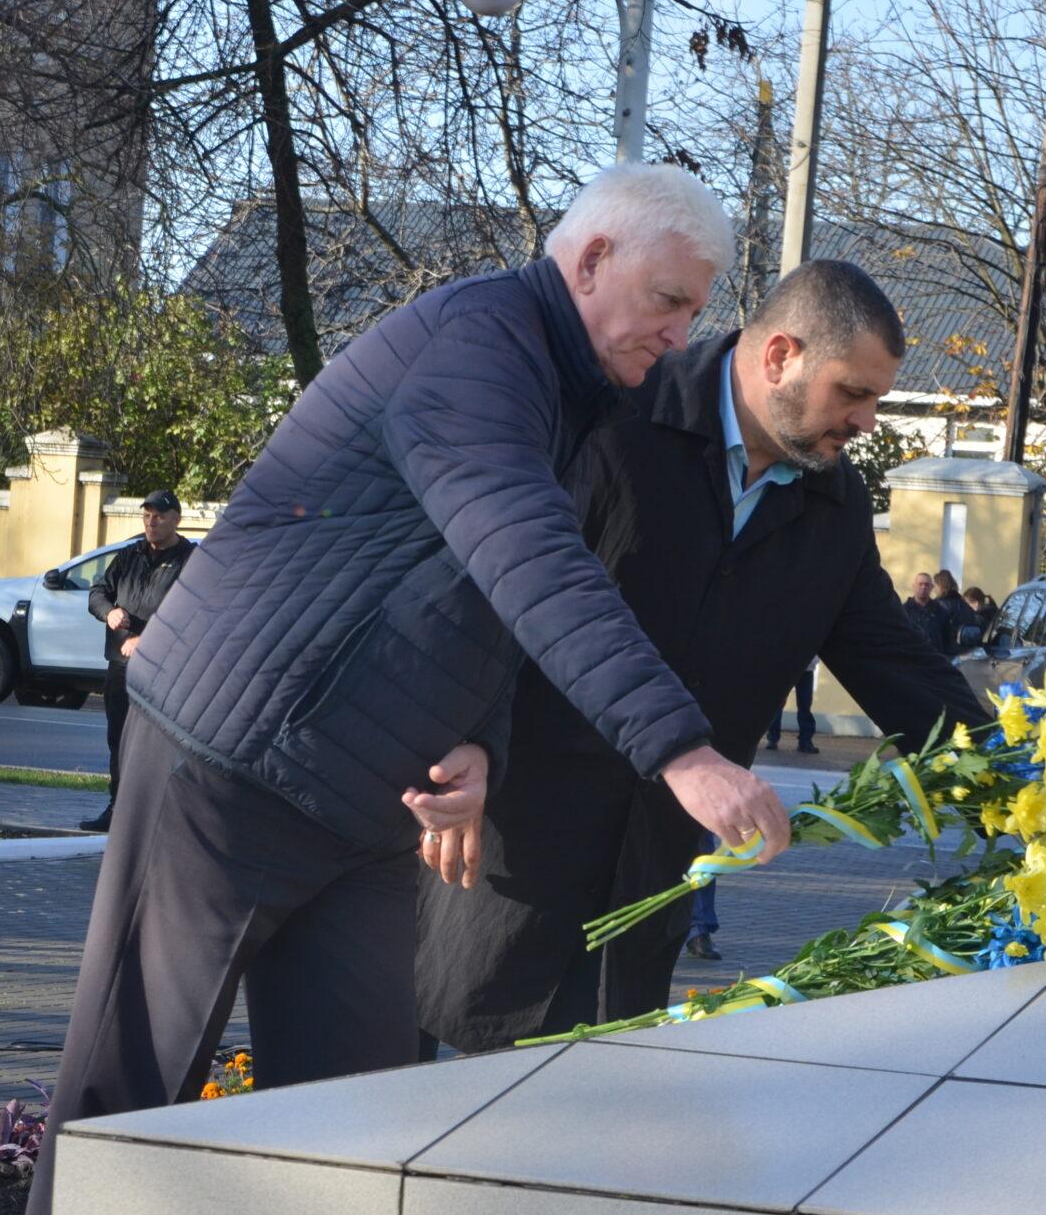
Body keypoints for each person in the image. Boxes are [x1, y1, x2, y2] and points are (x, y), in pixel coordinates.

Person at [2, 163, 794, 1215]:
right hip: (224, 765)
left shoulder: (574, 394)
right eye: (671, 301)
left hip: (368, 803)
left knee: (349, 1133)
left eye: (695, 311)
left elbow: (474, 600)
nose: (683, 333)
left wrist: (481, 737)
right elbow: (524, 549)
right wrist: (682, 751)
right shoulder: (476, 346)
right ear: (589, 263)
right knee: (125, 1094)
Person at [415, 261, 989, 1052]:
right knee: (437, 1093)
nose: (867, 422)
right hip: (506, 844)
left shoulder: (834, 502)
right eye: (852, 394)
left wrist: (1012, 767)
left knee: (604, 1108)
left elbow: (891, 659)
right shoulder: (614, 418)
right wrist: (461, 737)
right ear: (780, 355)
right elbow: (489, 590)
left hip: (654, 874)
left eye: (878, 401)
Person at [79, 489, 197, 834]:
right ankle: (118, 811)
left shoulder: (189, 561)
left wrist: (148, 640)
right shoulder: (130, 555)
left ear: (176, 518)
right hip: (120, 667)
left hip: (164, 672)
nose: (151, 522)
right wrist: (110, 612)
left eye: (158, 516)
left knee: (157, 745)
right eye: (146, 515)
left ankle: (158, 817)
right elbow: (97, 592)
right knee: (119, 739)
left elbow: (191, 613)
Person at [763, 660, 820, 755]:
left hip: (806, 669)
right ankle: (772, 739)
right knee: (778, 704)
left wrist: (813, 661)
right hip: (786, 667)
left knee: (805, 705)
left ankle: (805, 742)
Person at [933, 567, 983, 654]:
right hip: (963, 651)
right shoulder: (963, 603)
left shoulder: (939, 605)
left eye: (935, 585)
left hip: (945, 651)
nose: (933, 589)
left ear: (941, 586)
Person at [903, 571, 952, 654]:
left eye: (926, 584)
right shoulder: (904, 611)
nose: (923, 587)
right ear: (914, 586)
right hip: (910, 659)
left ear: (931, 587)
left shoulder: (941, 611)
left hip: (935, 659)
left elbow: (947, 638)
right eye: (920, 584)